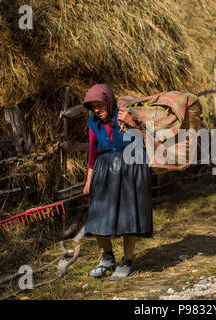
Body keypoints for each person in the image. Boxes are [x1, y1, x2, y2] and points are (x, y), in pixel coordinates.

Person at [82, 84, 153, 281]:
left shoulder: (125, 115)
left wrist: (133, 124)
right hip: (104, 170)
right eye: (93, 106)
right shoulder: (92, 123)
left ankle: (126, 261)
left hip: (131, 168)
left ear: (109, 101)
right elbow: (92, 154)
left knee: (128, 216)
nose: (97, 110)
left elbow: (149, 142)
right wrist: (88, 181)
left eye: (100, 105)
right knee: (97, 215)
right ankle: (107, 259)